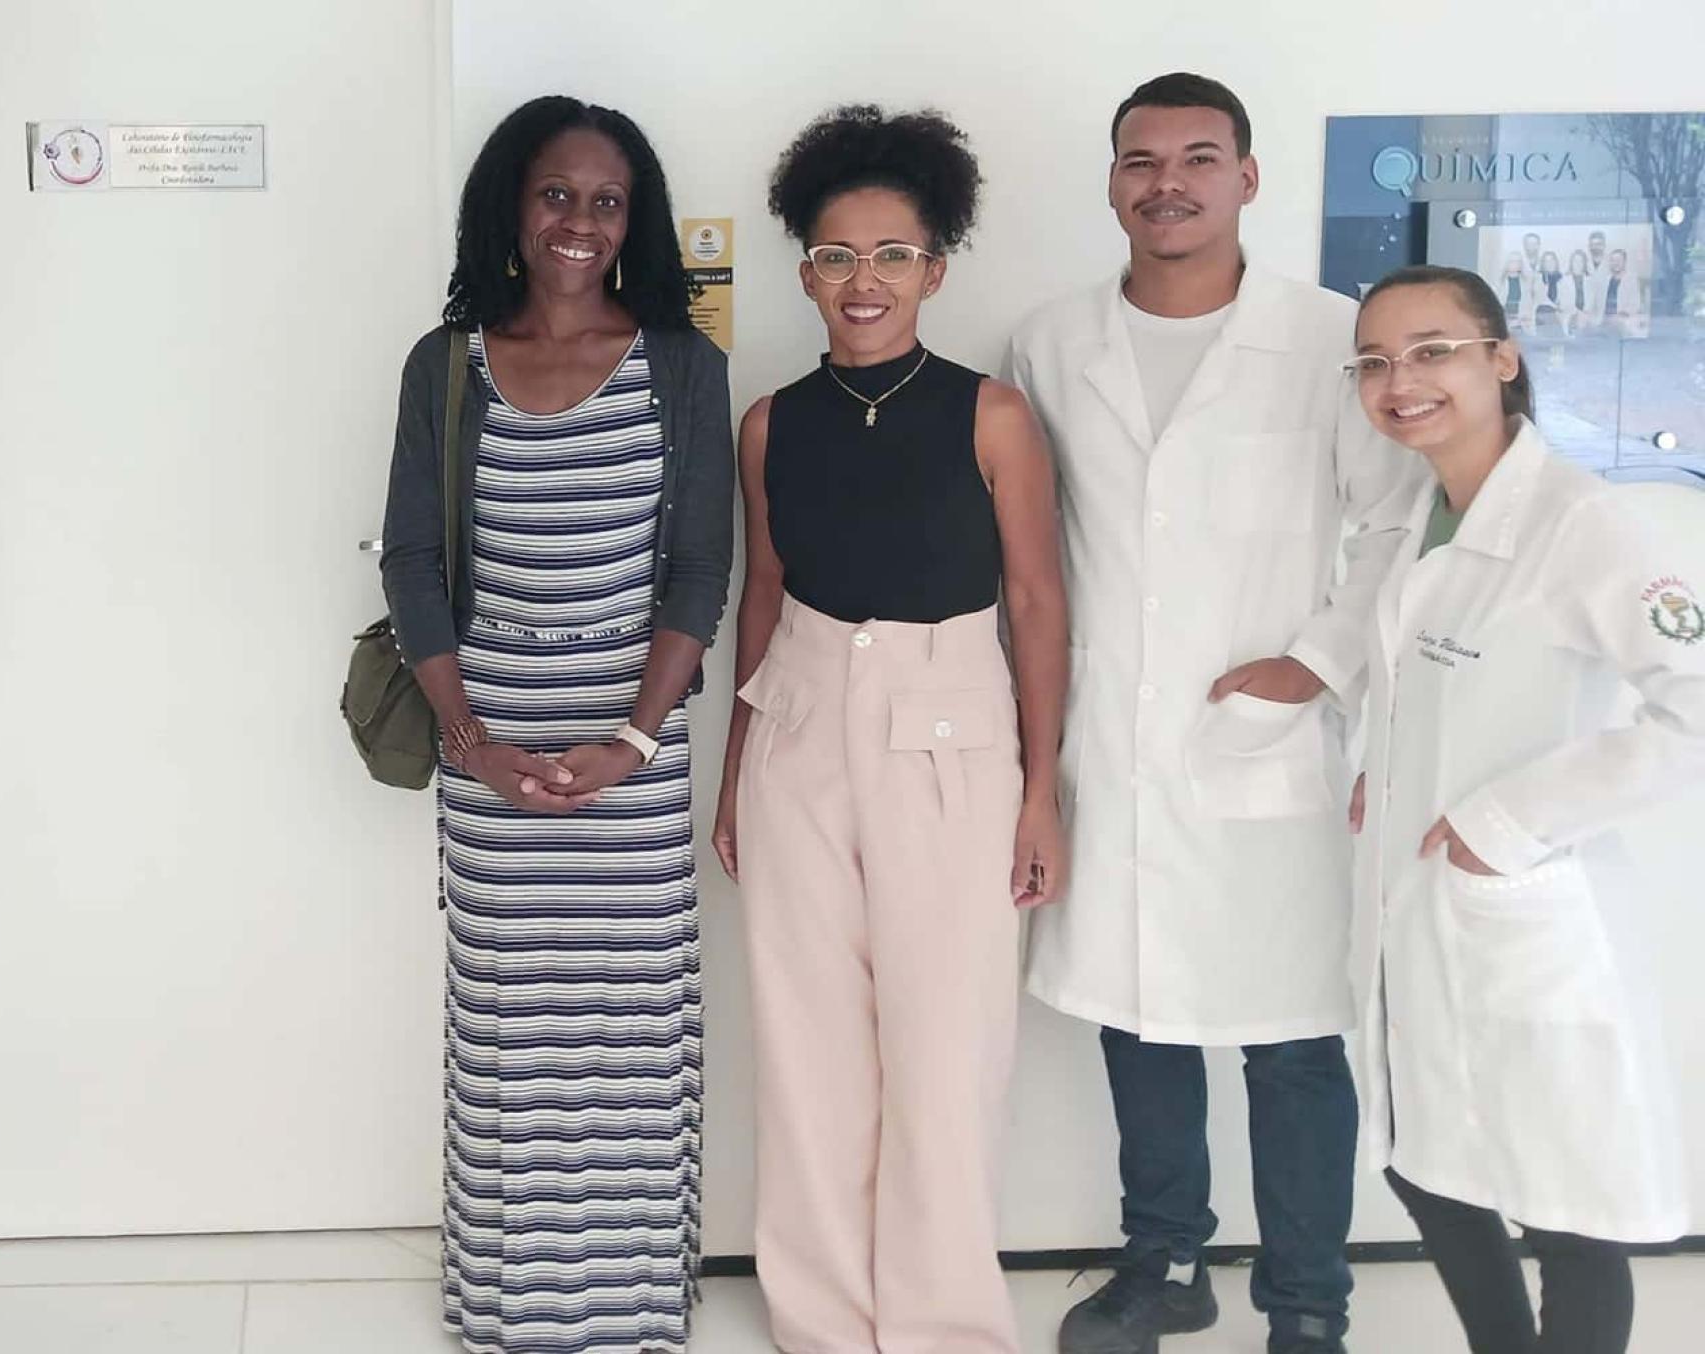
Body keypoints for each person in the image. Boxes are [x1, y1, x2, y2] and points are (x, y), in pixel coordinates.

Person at [1005, 73, 1430, 1354]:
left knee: (1290, 1041)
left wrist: (1315, 662)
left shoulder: (1327, 336)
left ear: (1246, 178)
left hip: (1263, 749)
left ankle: (1307, 1301)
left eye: (1197, 158)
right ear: (1111, 184)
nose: (1167, 184)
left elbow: (1395, 522)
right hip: (1111, 742)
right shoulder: (1047, 343)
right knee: (1136, 1016)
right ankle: (1164, 1261)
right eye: (1140, 161)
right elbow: (1032, 550)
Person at [378, 93, 730, 1354]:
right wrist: (469, 743)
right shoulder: (447, 363)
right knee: (507, 1031)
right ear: (511, 208)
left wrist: (629, 740)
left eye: (606, 200)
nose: (579, 220)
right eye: (555, 194)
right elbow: (412, 561)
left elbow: (697, 570)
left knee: (628, 1030)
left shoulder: (680, 366)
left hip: (633, 739)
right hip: (485, 734)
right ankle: (507, 1303)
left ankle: (628, 1307)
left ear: (634, 220)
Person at [717, 105, 1067, 1354]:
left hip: (949, 733)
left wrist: (1040, 790)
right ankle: (819, 1319)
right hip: (798, 728)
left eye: (889, 256)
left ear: (934, 269)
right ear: (804, 271)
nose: (860, 280)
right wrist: (734, 772)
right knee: (805, 1042)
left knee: (944, 1043)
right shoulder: (769, 422)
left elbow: (1034, 599)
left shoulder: (990, 415)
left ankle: (942, 1325)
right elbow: (762, 594)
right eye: (834, 256)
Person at [1344, 263, 1701, 1354]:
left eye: (1432, 351)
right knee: (1423, 1166)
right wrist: (1384, 763)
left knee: (1565, 1203)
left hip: (1520, 907)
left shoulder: (1580, 521)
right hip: (1416, 904)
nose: (1400, 381)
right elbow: (1434, 678)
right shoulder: (1421, 512)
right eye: (1374, 362)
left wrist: (1506, 825)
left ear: (1501, 358)